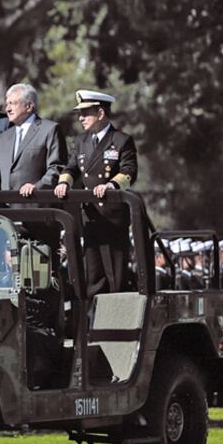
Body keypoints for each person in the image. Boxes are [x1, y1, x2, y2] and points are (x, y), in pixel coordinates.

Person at [53, 90, 138, 295]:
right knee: (94, 277)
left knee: (115, 279)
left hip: (112, 219)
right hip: (91, 218)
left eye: (86, 113)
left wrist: (111, 186)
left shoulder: (121, 140)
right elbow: (71, 168)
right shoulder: (81, 141)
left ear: (100, 113)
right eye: (79, 113)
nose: (81, 118)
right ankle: (94, 323)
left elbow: (129, 171)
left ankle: (118, 324)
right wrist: (64, 183)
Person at [0, 83, 66, 198]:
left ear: (29, 106)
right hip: (7, 209)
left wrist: (38, 186)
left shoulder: (49, 130)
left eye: (13, 103)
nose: (8, 109)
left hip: (36, 205)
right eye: (7, 104)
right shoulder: (5, 136)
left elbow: (56, 167)